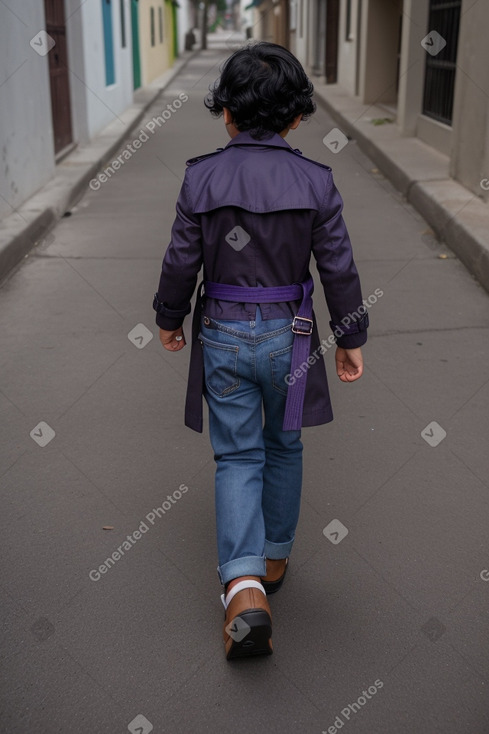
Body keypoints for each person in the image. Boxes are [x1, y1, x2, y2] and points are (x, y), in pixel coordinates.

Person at [153, 42, 368, 660]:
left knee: (237, 455)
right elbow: (339, 268)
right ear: (297, 117)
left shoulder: (201, 177)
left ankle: (244, 588)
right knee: (285, 443)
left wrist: (170, 318)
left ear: (227, 113)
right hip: (291, 334)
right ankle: (274, 559)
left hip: (222, 329)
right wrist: (351, 337)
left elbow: (179, 263)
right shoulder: (316, 180)